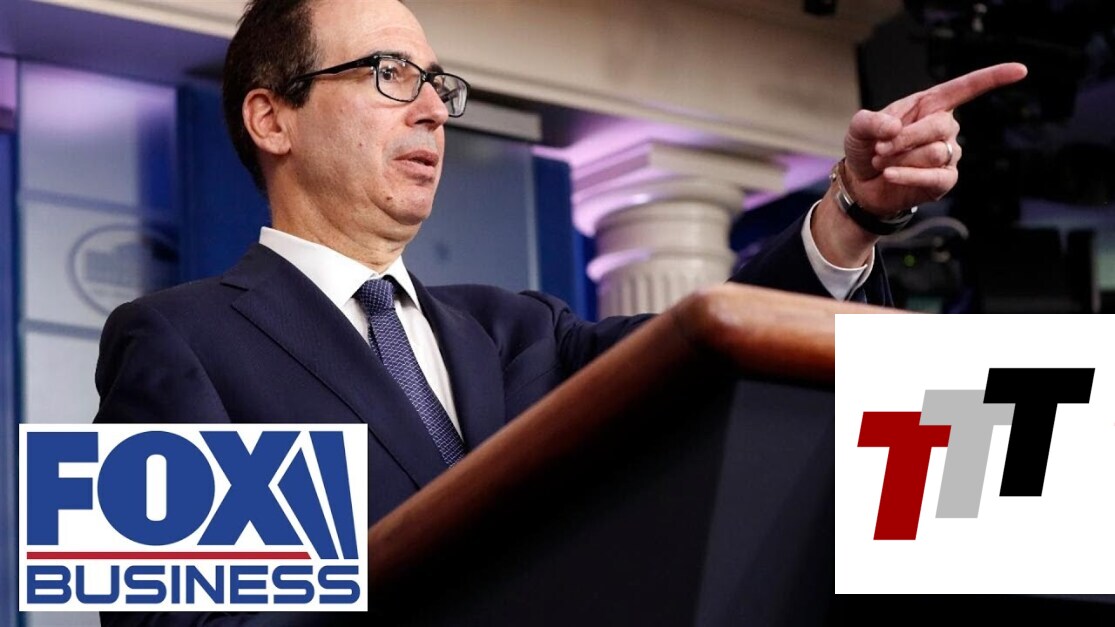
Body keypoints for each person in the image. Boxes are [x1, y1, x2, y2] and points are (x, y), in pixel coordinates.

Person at [92, 0, 1025, 623]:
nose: (432, 111)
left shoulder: (518, 330)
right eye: (389, 74)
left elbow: (710, 356)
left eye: (437, 85)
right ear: (272, 119)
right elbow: (174, 620)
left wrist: (850, 213)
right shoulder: (173, 340)